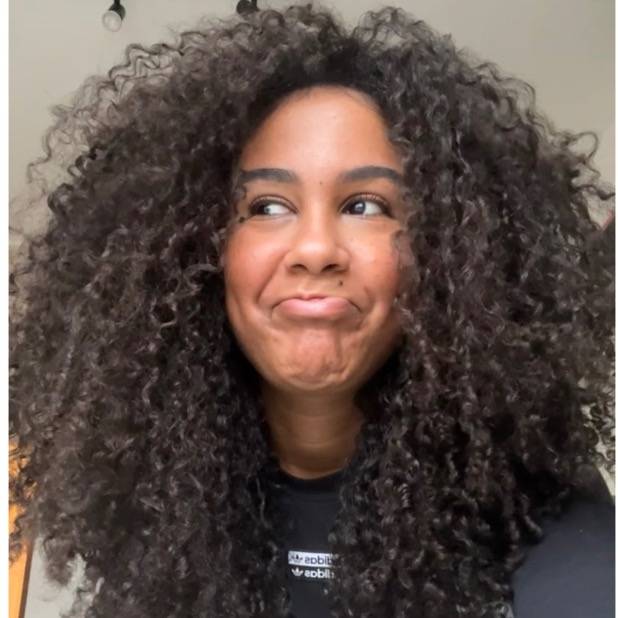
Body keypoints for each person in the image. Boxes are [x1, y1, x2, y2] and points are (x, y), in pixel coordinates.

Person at [9, 3, 614, 618]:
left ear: (451, 255)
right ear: (198, 250)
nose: (316, 249)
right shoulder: (157, 498)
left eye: (366, 205)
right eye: (267, 206)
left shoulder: (539, 511)